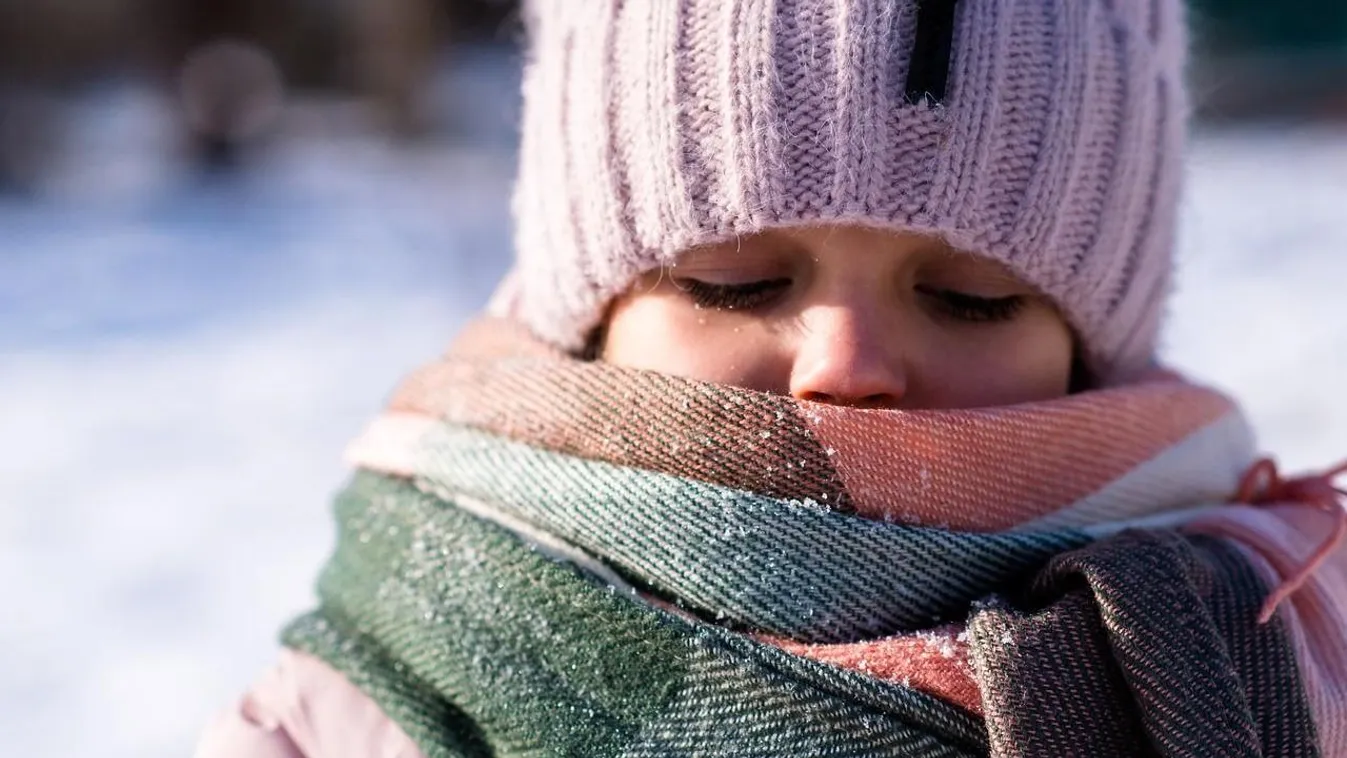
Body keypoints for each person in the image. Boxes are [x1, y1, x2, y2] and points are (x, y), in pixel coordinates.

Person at [196, 0, 1347, 755]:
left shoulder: (1286, 649)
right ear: (591, 314)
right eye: (732, 278)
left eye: (970, 295)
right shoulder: (356, 710)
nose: (843, 364)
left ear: (1096, 346)